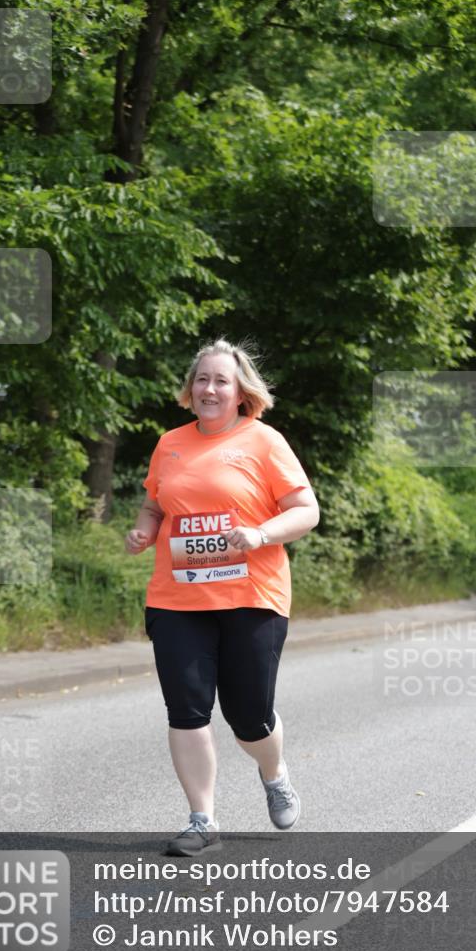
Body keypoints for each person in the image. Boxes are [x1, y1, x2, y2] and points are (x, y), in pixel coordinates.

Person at [124, 337, 319, 855]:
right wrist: (143, 531)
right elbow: (154, 506)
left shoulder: (265, 442)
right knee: (186, 709)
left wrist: (260, 534)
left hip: (251, 596)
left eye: (221, 381)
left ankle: (274, 772)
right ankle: (201, 820)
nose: (209, 388)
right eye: (202, 379)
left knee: (249, 716)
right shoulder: (170, 443)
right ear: (191, 388)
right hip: (177, 598)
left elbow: (306, 511)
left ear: (240, 392)